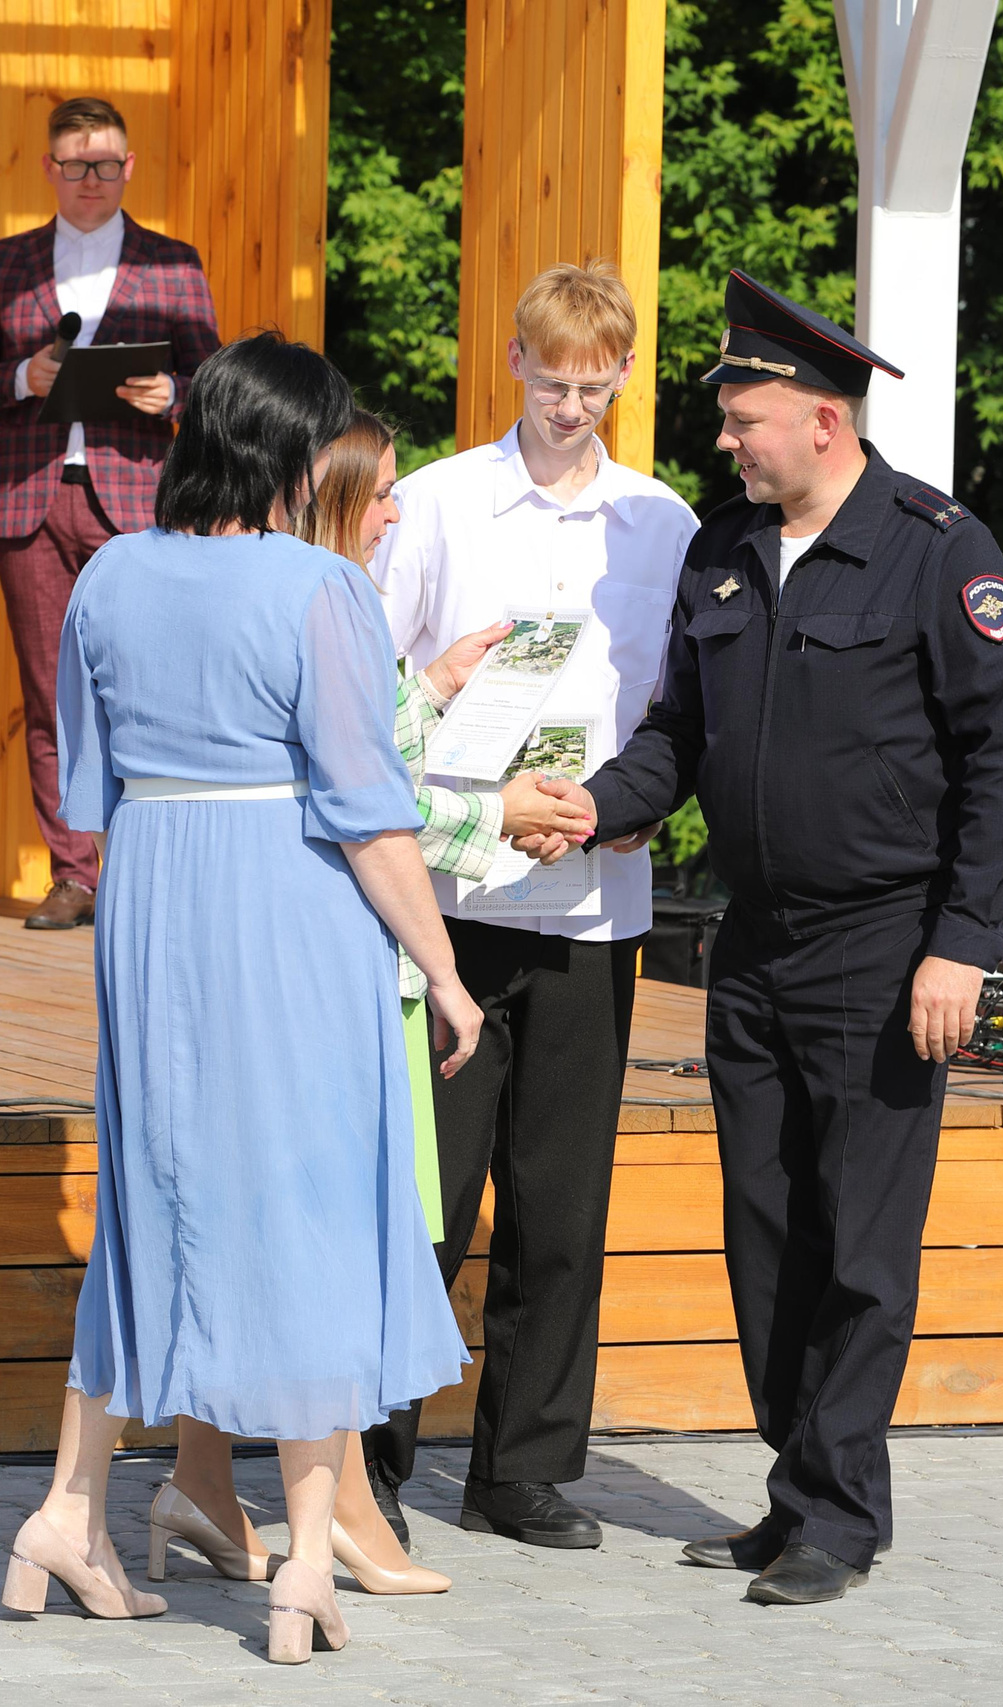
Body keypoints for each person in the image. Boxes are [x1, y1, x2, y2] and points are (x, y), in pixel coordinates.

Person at [550, 270, 1003, 1605]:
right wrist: (592, 808)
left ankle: (840, 1508)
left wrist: (963, 942)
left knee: (863, 1242)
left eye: (745, 417)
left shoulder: (940, 550)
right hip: (754, 945)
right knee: (765, 1228)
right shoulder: (722, 552)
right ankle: (797, 1480)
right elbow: (678, 742)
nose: (726, 439)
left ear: (825, 419)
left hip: (889, 951)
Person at [0, 335, 473, 1668]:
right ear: (285, 447)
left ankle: (68, 1509)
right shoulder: (321, 585)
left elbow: (84, 788)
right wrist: (441, 966)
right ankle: (306, 1560)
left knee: (160, 1193)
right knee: (309, 1190)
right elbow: (371, 813)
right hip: (289, 900)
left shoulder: (109, 576)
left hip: (153, 894)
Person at [149, 412, 588, 1595]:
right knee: (337, 1231)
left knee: (247, 1212)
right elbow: (365, 808)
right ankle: (337, 1502)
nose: (398, 513)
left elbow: (360, 768)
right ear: (327, 494)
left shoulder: (272, 597)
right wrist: (501, 820)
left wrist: (435, 687)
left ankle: (201, 1475)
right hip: (337, 966)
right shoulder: (321, 602)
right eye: (383, 493)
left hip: (245, 947)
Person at [359, 262, 698, 1552]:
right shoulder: (438, 502)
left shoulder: (657, 522)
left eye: (592, 385)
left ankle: (523, 1470)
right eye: (549, 382)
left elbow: (674, 709)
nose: (568, 406)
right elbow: (377, 681)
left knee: (561, 1202)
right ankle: (372, 1457)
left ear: (622, 376)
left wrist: (611, 807)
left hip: (591, 897)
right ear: (512, 362)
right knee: (426, 1195)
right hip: (449, 894)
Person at [0, 96, 223, 931]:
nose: (89, 178)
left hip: (138, 500)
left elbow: (215, 382)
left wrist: (173, 392)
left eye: (104, 163)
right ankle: (74, 874)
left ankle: (143, 870)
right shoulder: (6, 261)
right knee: (49, 695)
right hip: (30, 499)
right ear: (48, 169)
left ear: (129, 167)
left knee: (150, 690)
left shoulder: (173, 263)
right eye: (73, 164)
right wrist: (17, 379)